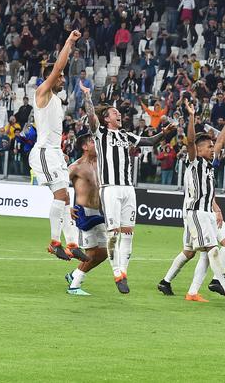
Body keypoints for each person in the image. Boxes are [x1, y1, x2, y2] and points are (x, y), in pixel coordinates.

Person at [81, 84, 176, 294]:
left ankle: (123, 272)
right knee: (113, 234)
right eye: (115, 113)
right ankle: (116, 272)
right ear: (106, 119)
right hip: (110, 189)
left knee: (129, 234)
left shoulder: (126, 135)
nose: (119, 115)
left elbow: (149, 141)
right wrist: (88, 97)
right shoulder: (101, 133)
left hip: (128, 189)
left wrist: (164, 132)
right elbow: (90, 117)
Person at [165, 99, 225, 302]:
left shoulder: (209, 165)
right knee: (211, 249)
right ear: (200, 150)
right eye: (209, 147)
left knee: (204, 252)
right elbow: (191, 141)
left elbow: (220, 141)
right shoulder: (194, 162)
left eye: (213, 147)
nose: (213, 149)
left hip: (207, 213)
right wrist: (192, 117)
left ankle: (193, 292)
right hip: (196, 212)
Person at [29, 30, 88, 263]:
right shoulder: (42, 92)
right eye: (61, 77)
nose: (63, 79)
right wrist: (69, 42)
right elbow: (57, 68)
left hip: (54, 152)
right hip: (43, 152)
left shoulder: (55, 100)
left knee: (66, 198)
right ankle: (55, 243)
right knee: (61, 194)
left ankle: (72, 243)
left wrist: (60, 151)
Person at [64, 134, 109, 296]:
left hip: (99, 212)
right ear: (84, 146)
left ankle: (73, 275)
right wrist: (67, 206)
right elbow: (60, 185)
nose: (96, 144)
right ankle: (74, 287)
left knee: (103, 253)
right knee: (91, 252)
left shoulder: (101, 164)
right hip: (84, 213)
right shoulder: (76, 166)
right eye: (92, 142)